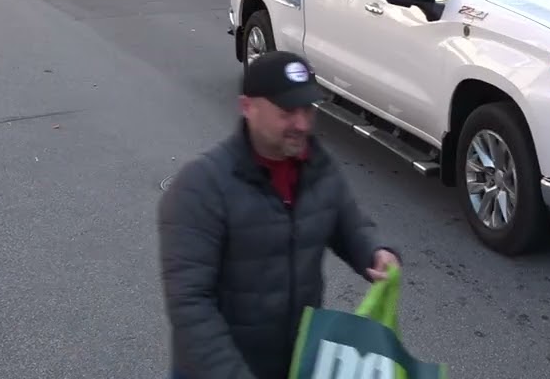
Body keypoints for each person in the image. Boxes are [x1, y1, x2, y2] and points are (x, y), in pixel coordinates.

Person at [158, 50, 398, 379]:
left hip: (296, 362)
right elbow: (190, 306)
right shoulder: (201, 187)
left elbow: (346, 221)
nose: (302, 124)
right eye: (287, 111)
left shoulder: (316, 164)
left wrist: (374, 251)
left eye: (308, 109)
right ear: (248, 108)